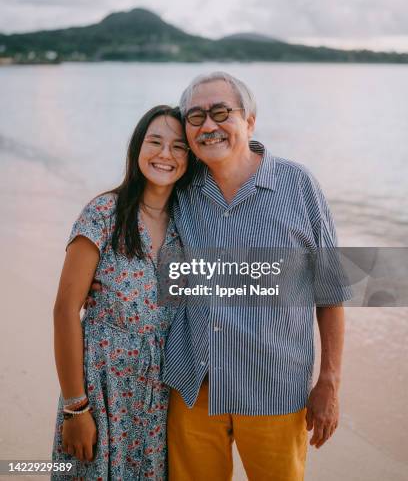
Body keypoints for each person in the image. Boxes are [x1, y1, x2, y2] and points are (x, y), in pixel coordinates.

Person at [163, 72, 352, 481]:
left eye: (221, 112)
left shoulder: (298, 185)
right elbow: (138, 236)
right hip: (192, 387)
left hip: (273, 389)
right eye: (195, 117)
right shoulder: (177, 186)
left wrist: (330, 382)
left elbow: (331, 290)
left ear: (249, 121)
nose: (208, 126)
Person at [51, 105, 193, 480]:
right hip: (101, 390)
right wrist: (75, 408)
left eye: (179, 147)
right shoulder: (103, 214)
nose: (165, 154)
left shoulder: (187, 227)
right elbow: (65, 311)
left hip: (160, 398)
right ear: (137, 148)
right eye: (155, 142)